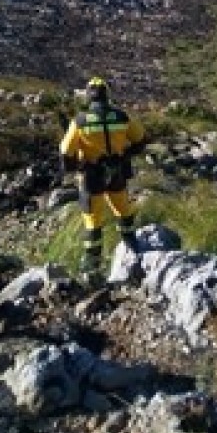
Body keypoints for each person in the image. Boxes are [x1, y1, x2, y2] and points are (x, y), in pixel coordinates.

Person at [59, 76, 146, 287]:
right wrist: (124, 156)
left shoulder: (79, 121)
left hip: (91, 177)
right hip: (116, 172)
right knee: (123, 210)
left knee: (93, 221)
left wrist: (74, 169)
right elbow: (140, 140)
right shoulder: (122, 116)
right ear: (108, 95)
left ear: (89, 97)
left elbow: (65, 151)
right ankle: (135, 253)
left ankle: (92, 267)